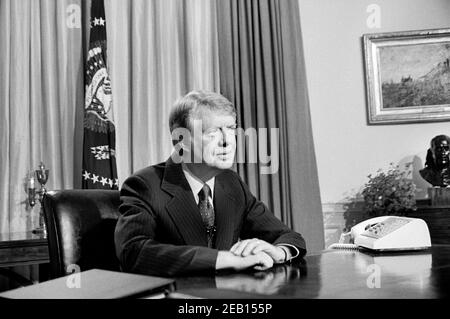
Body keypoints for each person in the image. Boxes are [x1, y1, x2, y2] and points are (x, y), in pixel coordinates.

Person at [114, 90, 306, 277]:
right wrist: (225, 259)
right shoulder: (144, 185)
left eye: (230, 129)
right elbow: (133, 252)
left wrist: (279, 252)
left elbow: (290, 237)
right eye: (212, 132)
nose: (227, 142)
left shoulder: (231, 183)